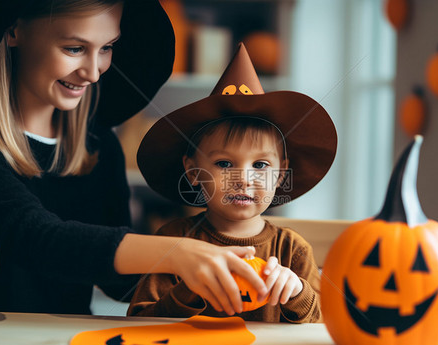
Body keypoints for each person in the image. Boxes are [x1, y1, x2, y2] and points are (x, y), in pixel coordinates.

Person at [0, 0, 268, 316]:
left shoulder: (97, 143)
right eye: (74, 48)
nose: (93, 72)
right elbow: (37, 237)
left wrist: (217, 251)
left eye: (107, 48)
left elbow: (122, 285)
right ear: (13, 31)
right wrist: (178, 252)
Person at [129, 44, 338, 323]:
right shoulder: (174, 242)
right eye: (224, 164)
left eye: (260, 165)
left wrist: (298, 291)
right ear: (193, 172)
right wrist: (187, 291)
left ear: (280, 175)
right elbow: (140, 319)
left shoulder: (292, 249)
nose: (243, 179)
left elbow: (325, 324)